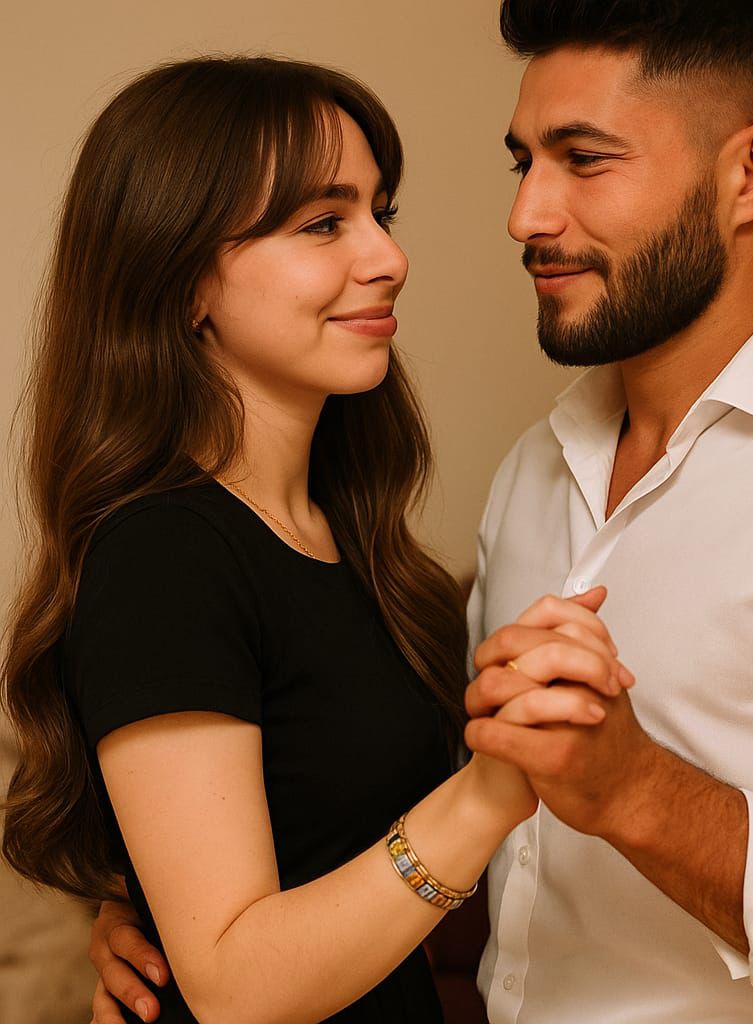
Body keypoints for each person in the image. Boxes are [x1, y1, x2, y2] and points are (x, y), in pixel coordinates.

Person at [87, 1, 753, 1021]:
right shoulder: (536, 469)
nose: (526, 215)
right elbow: (366, 787)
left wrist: (643, 794)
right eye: (522, 162)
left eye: (583, 160)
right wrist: (175, 903)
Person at [0, 55, 637, 1024]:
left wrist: (152, 896)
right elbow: (234, 989)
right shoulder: (163, 557)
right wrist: (490, 790)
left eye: (381, 212)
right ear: (183, 283)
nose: (387, 257)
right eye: (322, 223)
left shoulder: (355, 541)